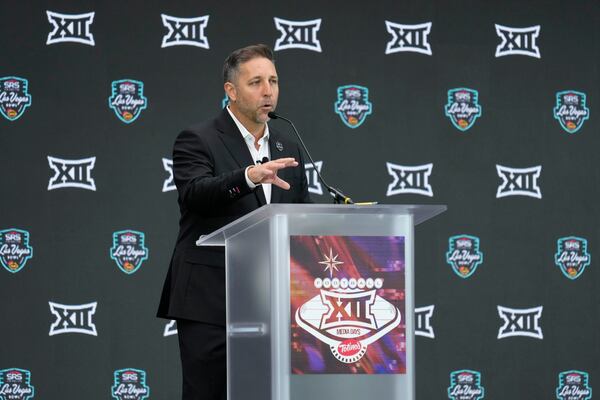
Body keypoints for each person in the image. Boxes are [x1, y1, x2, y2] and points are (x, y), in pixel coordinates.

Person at [157, 44, 311, 400]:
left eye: (273, 80)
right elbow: (195, 193)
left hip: (271, 302)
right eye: (256, 82)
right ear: (231, 91)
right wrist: (249, 176)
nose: (268, 90)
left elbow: (301, 211)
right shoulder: (198, 139)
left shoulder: (288, 143)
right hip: (210, 300)